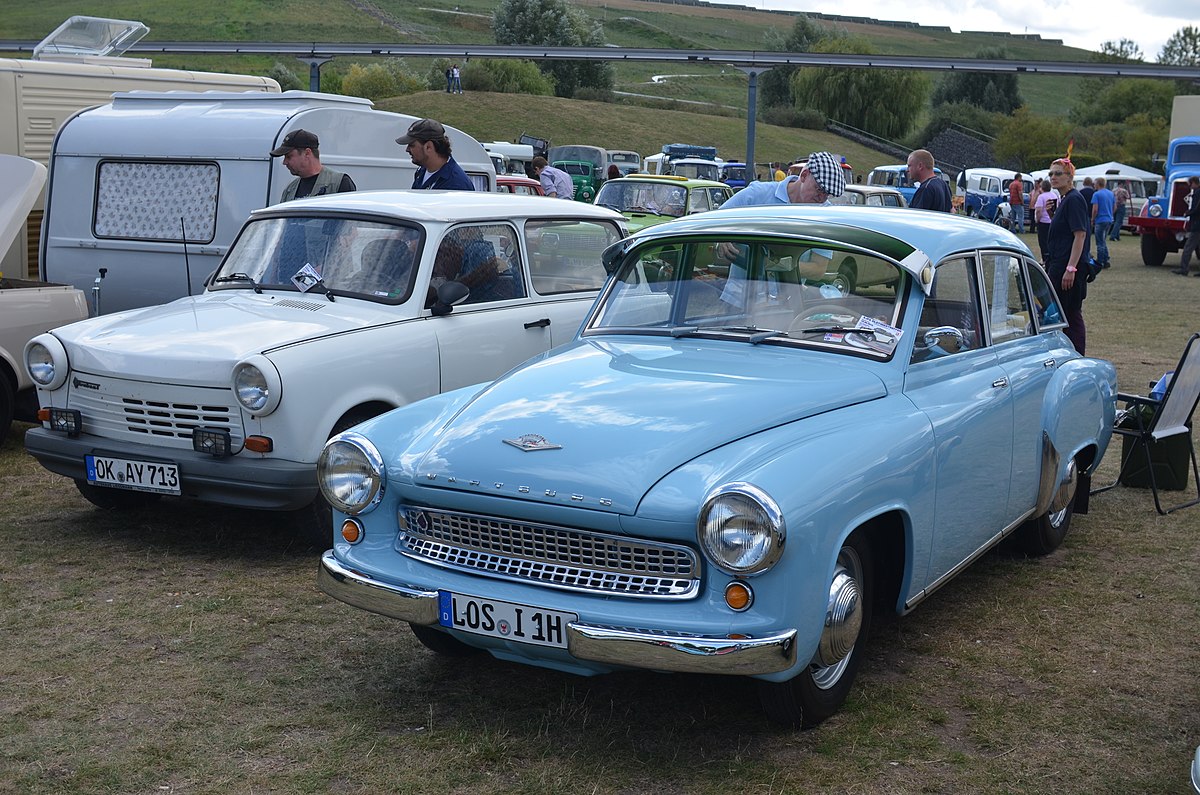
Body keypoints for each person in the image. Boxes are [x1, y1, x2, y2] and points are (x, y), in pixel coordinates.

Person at [1044, 158, 1089, 354]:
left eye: (1058, 173)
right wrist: (1054, 216)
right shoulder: (1064, 200)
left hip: (1067, 267)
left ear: (1070, 177)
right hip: (1058, 263)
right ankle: (1066, 352)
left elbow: (1080, 235)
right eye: (1051, 174)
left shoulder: (1074, 199)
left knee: (1070, 314)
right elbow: (1064, 234)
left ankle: (1078, 354)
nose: (1053, 177)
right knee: (1060, 312)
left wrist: (1071, 268)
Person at [719, 150, 846, 209]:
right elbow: (715, 220)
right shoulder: (757, 194)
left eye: (827, 194)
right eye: (819, 189)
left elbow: (819, 262)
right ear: (804, 175)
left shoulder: (826, 213)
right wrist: (722, 239)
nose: (822, 199)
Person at [270, 129, 356, 202]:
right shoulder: (289, 190)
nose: (284, 162)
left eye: (289, 156)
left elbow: (350, 220)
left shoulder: (339, 183)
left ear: (307, 153)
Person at [397, 118, 475, 191]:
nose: (407, 149)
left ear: (428, 147)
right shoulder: (422, 171)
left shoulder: (457, 185)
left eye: (411, 145)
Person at [1171, 176, 1200, 276]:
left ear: (1194, 183)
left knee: (1188, 247)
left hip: (1197, 225)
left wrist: (1187, 213)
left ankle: (1184, 268)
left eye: (1190, 184)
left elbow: (1197, 208)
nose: (1190, 187)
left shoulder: (1197, 193)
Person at [1090, 176, 1115, 269]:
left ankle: (1100, 261)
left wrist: (1092, 219)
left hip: (1100, 220)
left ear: (1098, 184)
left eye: (1095, 183)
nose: (1094, 185)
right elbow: (1114, 206)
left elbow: (1095, 209)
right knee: (1103, 240)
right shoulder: (1111, 193)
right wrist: (1111, 214)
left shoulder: (1096, 194)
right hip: (1109, 219)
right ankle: (1106, 259)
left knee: (1099, 241)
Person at [1033, 179, 1056, 261]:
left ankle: (1045, 259)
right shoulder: (1054, 195)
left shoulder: (1041, 197)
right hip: (1053, 221)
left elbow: (1039, 210)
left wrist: (1037, 219)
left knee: (1043, 242)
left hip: (1043, 222)